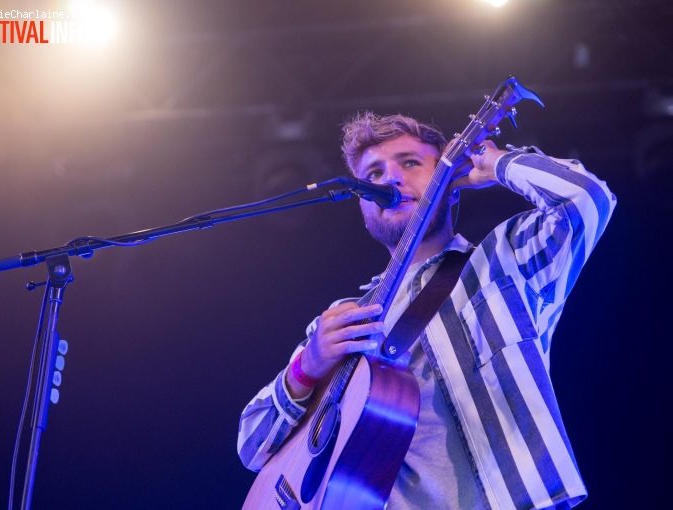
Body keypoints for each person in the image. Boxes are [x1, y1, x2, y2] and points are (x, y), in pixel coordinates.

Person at [237, 112, 616, 509]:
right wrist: (307, 366)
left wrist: (494, 162)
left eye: (411, 163)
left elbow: (588, 198)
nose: (391, 180)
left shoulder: (505, 261)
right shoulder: (346, 317)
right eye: (374, 174)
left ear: (448, 181)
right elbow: (252, 445)